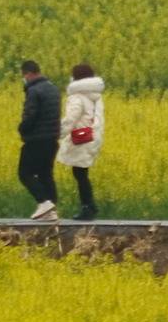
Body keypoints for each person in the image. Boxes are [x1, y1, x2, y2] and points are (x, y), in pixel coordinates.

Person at [56, 61, 106, 220]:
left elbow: (71, 118)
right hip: (93, 136)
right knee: (81, 173)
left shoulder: (77, 96)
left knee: (80, 174)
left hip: (81, 138)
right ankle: (90, 205)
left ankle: (87, 207)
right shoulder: (96, 96)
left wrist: (58, 133)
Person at [15, 59, 62, 221]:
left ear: (28, 73)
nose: (24, 79)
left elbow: (30, 115)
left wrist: (22, 128)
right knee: (45, 174)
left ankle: (43, 202)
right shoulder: (54, 89)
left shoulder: (34, 91)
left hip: (36, 139)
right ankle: (51, 210)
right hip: (52, 139)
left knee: (24, 173)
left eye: (24, 75)